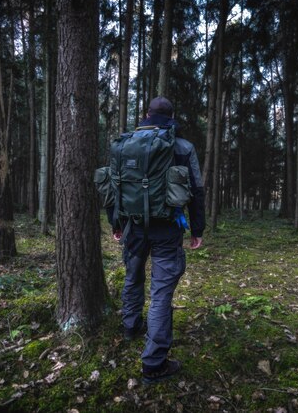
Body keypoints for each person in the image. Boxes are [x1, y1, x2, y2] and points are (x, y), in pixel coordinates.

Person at [108, 97, 205, 384]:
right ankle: (153, 363)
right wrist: (197, 229)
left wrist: (116, 223)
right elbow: (197, 191)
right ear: (172, 116)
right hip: (167, 230)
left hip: (134, 227)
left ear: (146, 115)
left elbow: (116, 186)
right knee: (161, 293)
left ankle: (130, 326)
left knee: (133, 276)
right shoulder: (183, 147)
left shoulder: (126, 143)